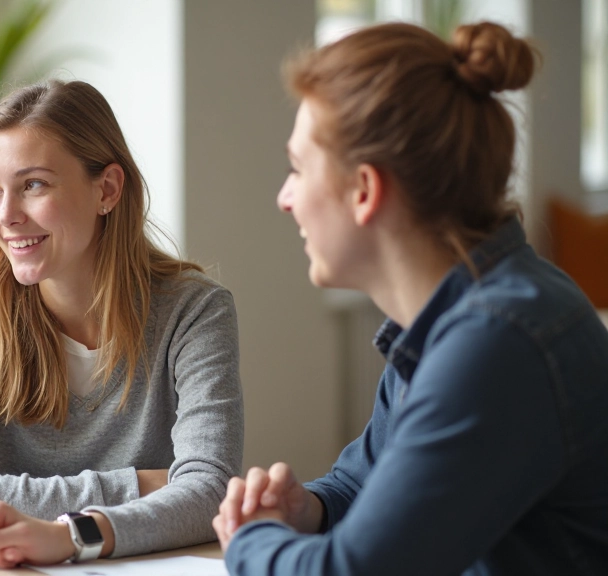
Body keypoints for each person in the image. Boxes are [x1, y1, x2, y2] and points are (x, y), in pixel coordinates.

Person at [214, 21, 608, 575]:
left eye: (297, 169)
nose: (285, 198)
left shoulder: (498, 340)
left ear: (365, 190)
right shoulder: (452, 317)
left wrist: (249, 540)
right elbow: (361, 480)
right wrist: (308, 509)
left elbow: (353, 571)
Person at [0, 80, 244, 564]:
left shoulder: (195, 311)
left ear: (107, 189)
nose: (6, 216)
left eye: (34, 185)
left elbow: (212, 491)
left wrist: (71, 534)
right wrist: (139, 485)